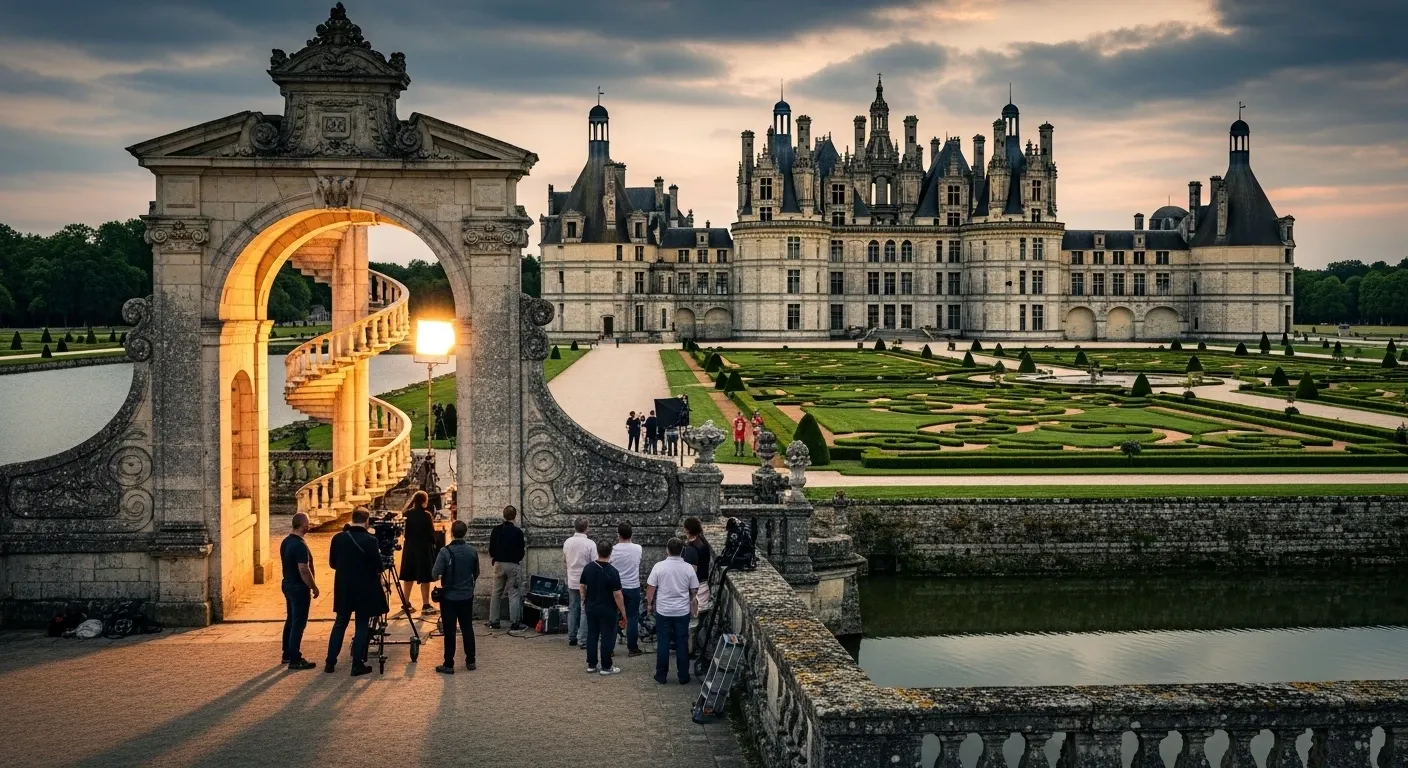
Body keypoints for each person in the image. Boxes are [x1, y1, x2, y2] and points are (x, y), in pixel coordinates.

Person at [326, 507, 388, 676]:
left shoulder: (338, 538)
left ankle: (330, 662)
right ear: (367, 521)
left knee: (340, 622)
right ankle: (357, 663)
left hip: (344, 587)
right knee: (361, 624)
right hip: (364, 588)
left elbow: (332, 563)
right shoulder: (370, 540)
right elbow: (378, 567)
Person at [646, 538, 699, 685]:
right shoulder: (688, 568)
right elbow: (694, 589)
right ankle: (683, 675)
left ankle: (661, 675)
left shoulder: (659, 566)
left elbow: (651, 588)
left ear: (667, 550)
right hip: (682, 611)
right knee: (682, 642)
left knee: (663, 641)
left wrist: (649, 604)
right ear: (682, 550)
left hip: (664, 610)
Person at [432, 519, 480, 674]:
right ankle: (470, 660)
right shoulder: (472, 551)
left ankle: (449, 663)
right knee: (467, 628)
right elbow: (476, 573)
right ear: (465, 533)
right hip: (466, 595)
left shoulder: (445, 552)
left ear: (452, 532)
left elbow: (434, 574)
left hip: (450, 597)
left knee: (450, 631)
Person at [579, 539, 626, 675]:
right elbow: (617, 594)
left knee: (592, 635)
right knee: (606, 636)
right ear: (610, 553)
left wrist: (584, 599)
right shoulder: (613, 571)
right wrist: (623, 611)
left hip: (591, 606)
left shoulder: (588, 568)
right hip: (607, 608)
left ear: (597, 551)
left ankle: (591, 663)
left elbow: (582, 586)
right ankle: (606, 666)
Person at [280, 511, 320, 670]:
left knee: (291, 619)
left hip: (288, 585)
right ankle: (295, 658)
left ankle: (287, 654)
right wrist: (314, 586)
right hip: (298, 588)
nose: (309, 526)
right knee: (299, 623)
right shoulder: (300, 545)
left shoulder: (286, 542)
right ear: (303, 526)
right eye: (308, 523)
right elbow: (304, 569)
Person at [487, 504, 526, 630]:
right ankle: (515, 622)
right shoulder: (518, 532)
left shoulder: (496, 530)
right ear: (514, 516)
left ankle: (493, 621)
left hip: (498, 563)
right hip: (513, 564)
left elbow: (491, 548)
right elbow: (521, 551)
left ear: (504, 516)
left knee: (496, 592)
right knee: (513, 593)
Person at [399, 491, 437, 616]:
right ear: (423, 501)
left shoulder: (408, 514)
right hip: (424, 549)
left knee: (409, 576)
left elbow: (406, 533)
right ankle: (425, 604)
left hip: (410, 548)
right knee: (425, 577)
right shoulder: (427, 516)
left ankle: (406, 602)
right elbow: (432, 535)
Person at [609, 522, 644, 657]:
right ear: (631, 534)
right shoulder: (638, 548)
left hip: (616, 587)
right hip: (633, 586)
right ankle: (633, 648)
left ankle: (610, 647)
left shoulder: (613, 550)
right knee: (633, 617)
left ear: (618, 535)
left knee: (612, 618)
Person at [681, 516, 714, 652]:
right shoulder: (703, 543)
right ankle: (693, 648)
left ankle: (689, 650)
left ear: (687, 530)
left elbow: (691, 571)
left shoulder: (692, 548)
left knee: (692, 621)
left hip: (695, 587)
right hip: (704, 584)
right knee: (697, 620)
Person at [562, 517, 595, 647]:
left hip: (572, 578)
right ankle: (583, 639)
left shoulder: (568, 542)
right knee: (584, 609)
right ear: (587, 528)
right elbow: (594, 563)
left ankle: (572, 636)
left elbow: (564, 561)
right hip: (585, 581)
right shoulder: (590, 544)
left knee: (572, 608)